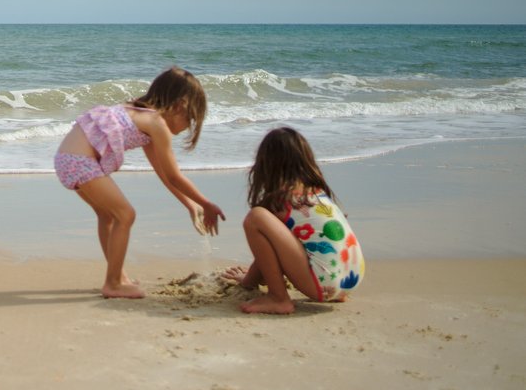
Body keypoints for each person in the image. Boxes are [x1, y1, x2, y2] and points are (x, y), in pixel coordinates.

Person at [53, 66, 225, 299]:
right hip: (81, 162)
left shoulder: (139, 115)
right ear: (180, 105)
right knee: (126, 214)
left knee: (109, 216)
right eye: (190, 119)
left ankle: (119, 277)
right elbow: (175, 175)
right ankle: (112, 283)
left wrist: (189, 204)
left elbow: (164, 173)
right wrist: (207, 203)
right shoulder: (157, 123)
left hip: (66, 160)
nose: (187, 127)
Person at [221, 127, 364, 314]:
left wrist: (248, 281)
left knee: (256, 218)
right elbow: (279, 245)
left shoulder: (280, 200)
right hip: (350, 280)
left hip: (321, 284)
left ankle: (278, 298)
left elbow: (267, 247)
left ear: (266, 164)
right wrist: (250, 280)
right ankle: (334, 291)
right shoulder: (318, 194)